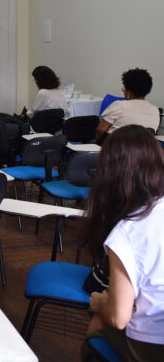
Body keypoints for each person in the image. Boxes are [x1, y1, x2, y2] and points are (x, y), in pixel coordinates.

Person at [81, 125, 164, 361]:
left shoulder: (127, 231)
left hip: (154, 344)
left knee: (100, 320)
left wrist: (101, 304)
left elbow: (119, 318)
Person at [96, 68, 160, 142]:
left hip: (116, 147)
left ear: (128, 91)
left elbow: (100, 131)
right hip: (143, 148)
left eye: (124, 88)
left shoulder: (119, 106)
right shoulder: (155, 110)